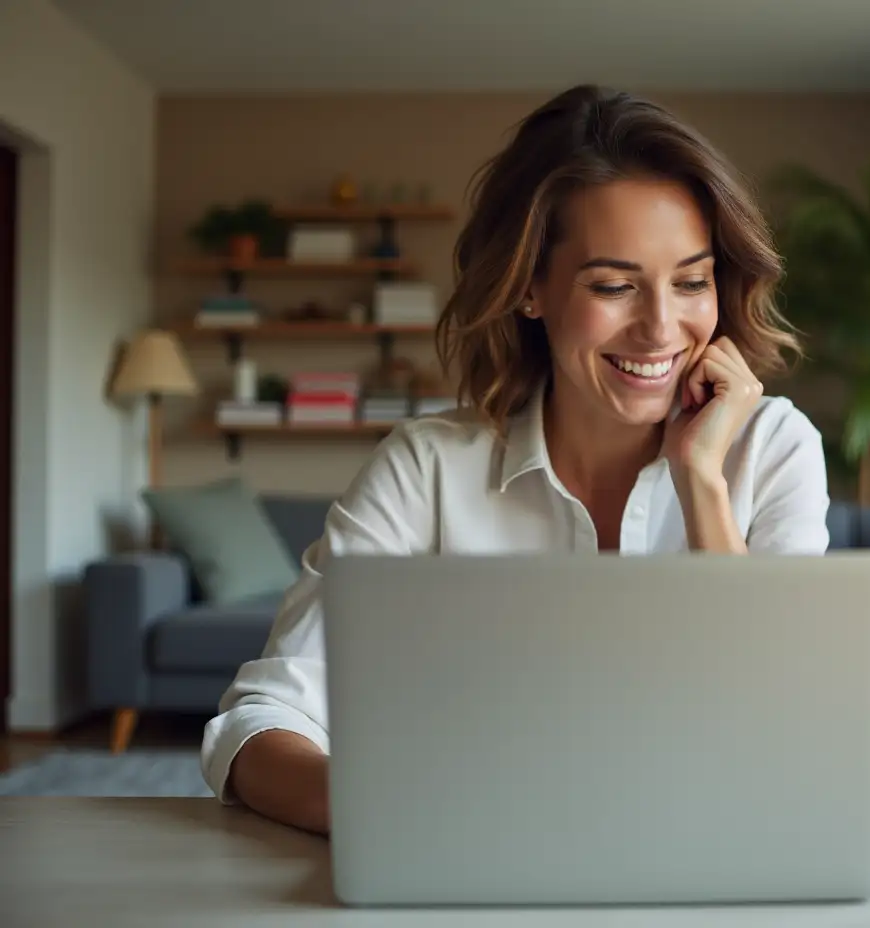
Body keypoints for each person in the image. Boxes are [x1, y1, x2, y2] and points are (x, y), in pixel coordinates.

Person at [200, 84, 831, 835]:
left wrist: (700, 482)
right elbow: (265, 718)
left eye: (692, 282)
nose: (663, 328)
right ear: (531, 289)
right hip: (469, 859)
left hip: (714, 855)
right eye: (615, 285)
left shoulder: (772, 447)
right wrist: (396, 814)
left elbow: (785, 736)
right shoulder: (425, 470)